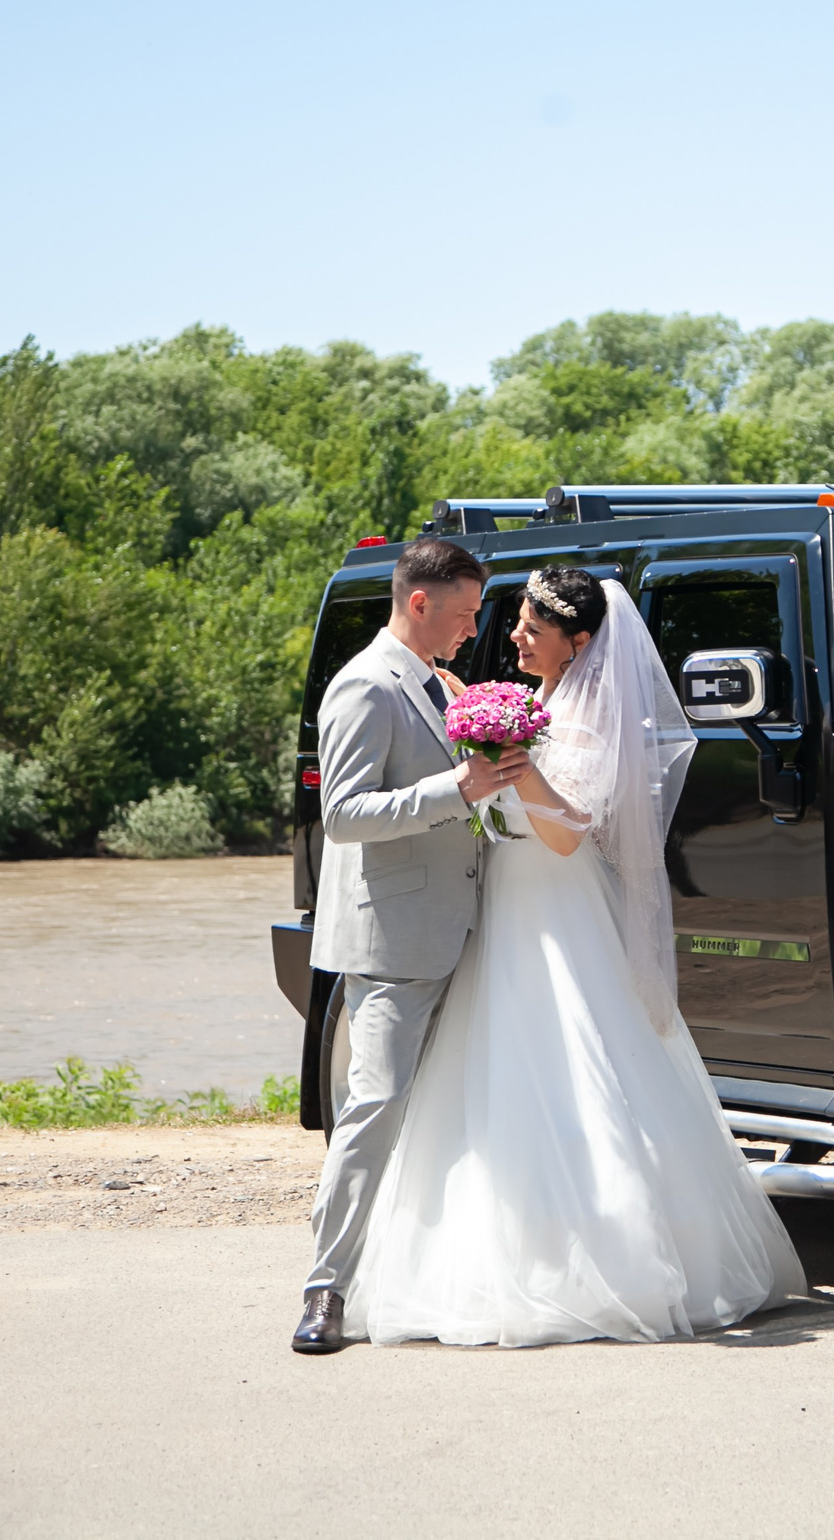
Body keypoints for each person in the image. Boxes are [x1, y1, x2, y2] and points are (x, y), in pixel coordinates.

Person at [339, 565, 805, 1347]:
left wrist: (518, 763)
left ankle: (609, 1264)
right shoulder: (537, 702)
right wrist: (483, 726)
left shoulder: (584, 718)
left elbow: (567, 831)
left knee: (579, 1070)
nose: (513, 635)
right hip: (502, 905)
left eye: (531, 627)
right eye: (515, 619)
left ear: (578, 643)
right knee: (490, 1080)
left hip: (556, 909)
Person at [295, 536, 520, 1353]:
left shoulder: (439, 683)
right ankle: (326, 1289)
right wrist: (455, 788)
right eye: (462, 614)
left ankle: (443, 1276)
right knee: (375, 1106)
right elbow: (345, 814)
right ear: (418, 603)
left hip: (465, 924)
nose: (472, 629)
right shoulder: (364, 684)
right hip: (393, 937)